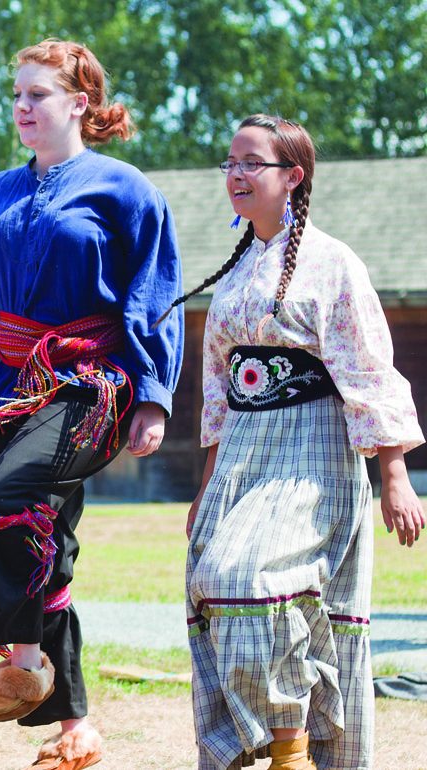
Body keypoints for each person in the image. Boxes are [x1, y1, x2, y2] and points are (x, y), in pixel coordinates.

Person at [0, 39, 183, 770]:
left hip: (94, 383)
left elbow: (154, 298)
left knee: (5, 493)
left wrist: (155, 398)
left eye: (37, 95)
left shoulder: (127, 190)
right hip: (10, 388)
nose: (22, 107)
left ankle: (21, 660)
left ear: (80, 103)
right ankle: (76, 727)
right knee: (48, 540)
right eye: (16, 95)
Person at [174, 115, 424, 770]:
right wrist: (206, 490)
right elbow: (219, 392)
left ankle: (296, 751)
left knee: (251, 580)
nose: (235, 173)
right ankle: (281, 745)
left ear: (293, 176)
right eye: (229, 160)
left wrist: (395, 473)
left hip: (312, 449)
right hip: (243, 457)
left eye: (252, 161)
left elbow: (370, 368)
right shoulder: (234, 275)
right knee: (210, 579)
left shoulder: (333, 262)